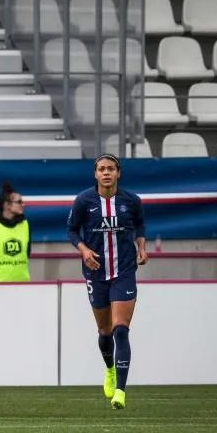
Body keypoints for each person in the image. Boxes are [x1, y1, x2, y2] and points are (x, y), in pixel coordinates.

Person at [67, 154, 148, 410]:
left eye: (111, 169)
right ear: (95, 173)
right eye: (101, 169)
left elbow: (140, 226)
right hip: (96, 273)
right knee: (105, 331)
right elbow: (71, 230)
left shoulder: (132, 201)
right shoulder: (84, 201)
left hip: (124, 271)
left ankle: (120, 392)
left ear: (118, 173)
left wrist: (141, 247)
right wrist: (83, 250)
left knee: (120, 329)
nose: (106, 173)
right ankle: (110, 369)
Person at [0, 181, 31, 282]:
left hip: (22, 283)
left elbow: (27, 253)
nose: (22, 204)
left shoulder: (25, 224)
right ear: (7, 205)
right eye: (19, 202)